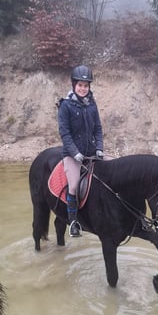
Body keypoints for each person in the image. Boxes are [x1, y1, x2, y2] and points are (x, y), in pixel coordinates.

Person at [57, 65, 104, 237]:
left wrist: (99, 148)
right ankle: (73, 222)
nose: (83, 89)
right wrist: (75, 152)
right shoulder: (65, 106)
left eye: (86, 86)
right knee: (74, 185)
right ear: (74, 85)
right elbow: (64, 133)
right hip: (72, 155)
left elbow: (98, 128)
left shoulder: (92, 105)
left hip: (92, 152)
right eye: (80, 85)